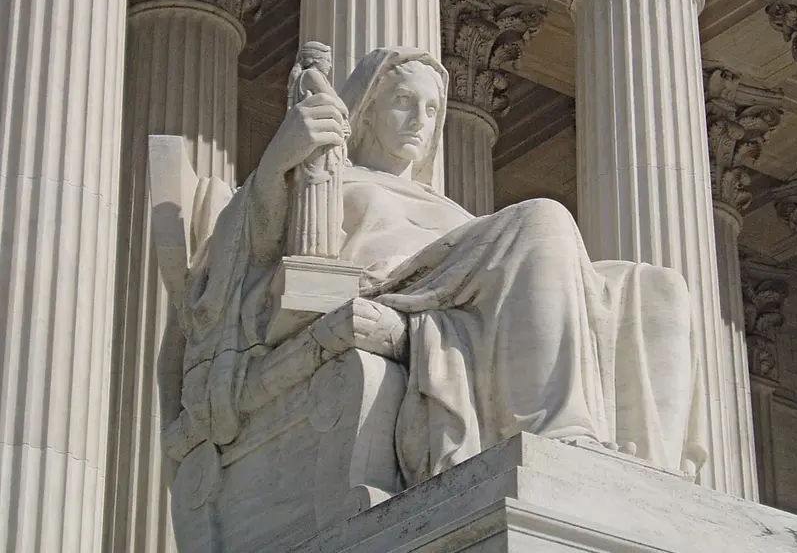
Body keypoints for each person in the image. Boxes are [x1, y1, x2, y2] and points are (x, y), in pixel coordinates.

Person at [177, 47, 706, 487]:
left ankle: (651, 478)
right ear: (366, 110)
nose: (419, 122)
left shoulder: (453, 212)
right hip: (394, 289)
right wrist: (279, 161)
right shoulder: (328, 177)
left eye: (431, 110)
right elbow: (249, 258)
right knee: (543, 219)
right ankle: (557, 434)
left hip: (462, 294)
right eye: (403, 102)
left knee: (658, 288)